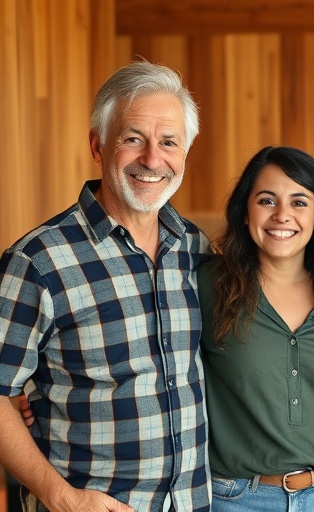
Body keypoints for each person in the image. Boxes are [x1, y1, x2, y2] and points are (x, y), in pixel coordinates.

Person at [0, 61, 210, 511]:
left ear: (185, 154)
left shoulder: (197, 249)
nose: (153, 159)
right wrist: (60, 497)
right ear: (98, 145)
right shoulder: (38, 260)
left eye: (168, 142)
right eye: (133, 139)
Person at [198, 146, 314, 510]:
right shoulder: (208, 285)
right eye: (267, 200)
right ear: (245, 213)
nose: (282, 215)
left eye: (300, 202)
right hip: (236, 499)